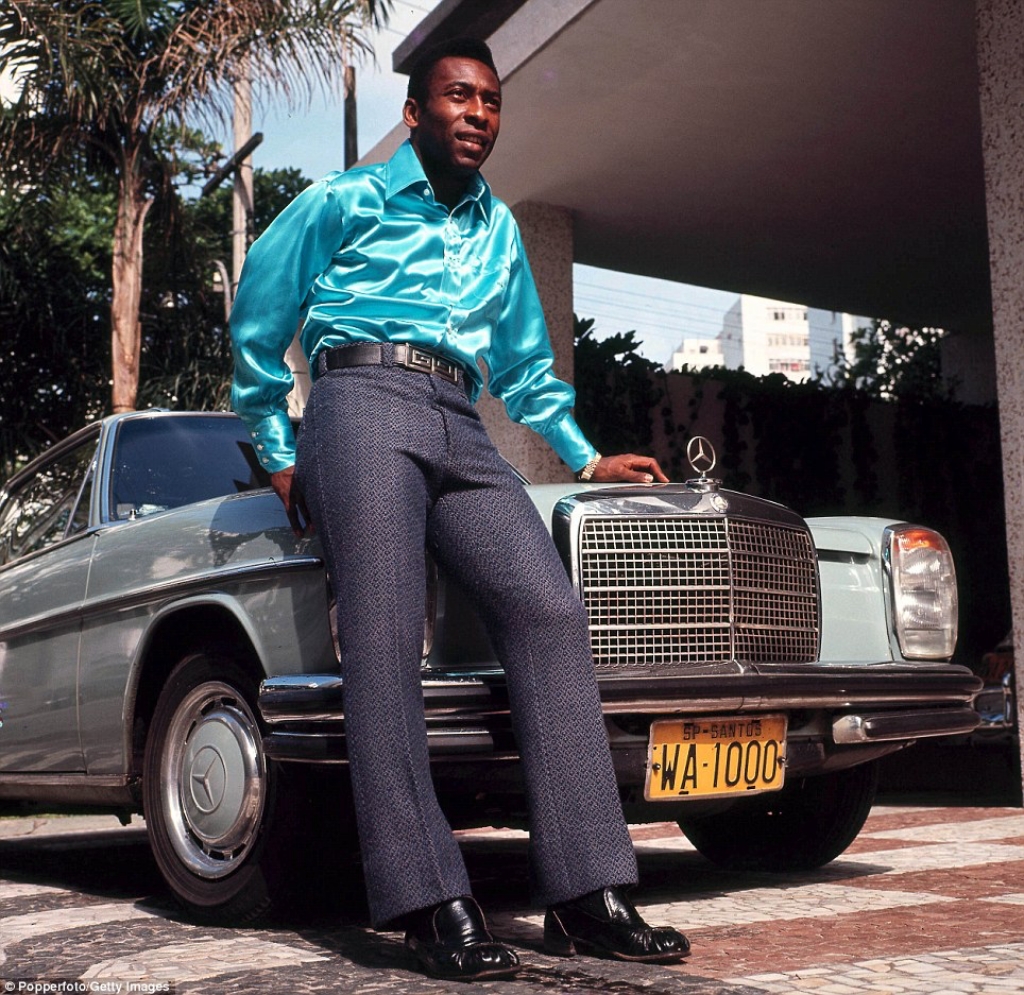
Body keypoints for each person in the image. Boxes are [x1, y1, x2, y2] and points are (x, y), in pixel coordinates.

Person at [230, 36, 689, 982]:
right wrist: (280, 453)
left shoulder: (499, 232)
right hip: (358, 405)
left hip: (458, 419)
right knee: (388, 632)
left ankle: (586, 892)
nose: (478, 113)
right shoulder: (341, 201)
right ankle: (428, 896)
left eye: (490, 100)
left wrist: (586, 455)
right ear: (415, 112)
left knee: (549, 609)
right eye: (457, 97)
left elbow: (523, 368)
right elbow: (258, 327)